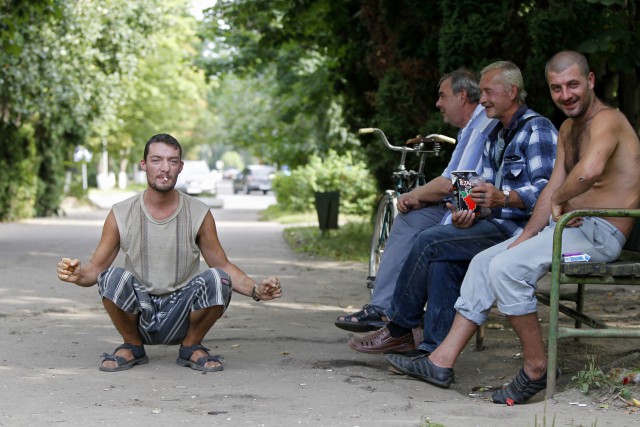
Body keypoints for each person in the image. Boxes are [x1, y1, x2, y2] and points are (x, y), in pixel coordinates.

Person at [385, 50, 640, 404]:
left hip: (599, 239)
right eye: (556, 88)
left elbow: (588, 172)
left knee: (506, 269)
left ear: (591, 81)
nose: (565, 95)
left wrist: (556, 203)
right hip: (566, 229)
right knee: (485, 262)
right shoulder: (567, 128)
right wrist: (525, 235)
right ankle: (440, 361)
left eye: (573, 85)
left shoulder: (607, 120)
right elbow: (552, 188)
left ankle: (536, 369)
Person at [349, 61, 557, 355]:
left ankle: (398, 329)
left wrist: (504, 198)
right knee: (443, 257)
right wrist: (466, 211)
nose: (481, 99)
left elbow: (548, 191)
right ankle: (431, 353)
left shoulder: (537, 129)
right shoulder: (496, 134)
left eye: (487, 92)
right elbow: (475, 187)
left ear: (512, 92)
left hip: (522, 232)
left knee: (429, 240)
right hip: (493, 225)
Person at [56, 133, 282, 373]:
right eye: (156, 160)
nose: (165, 168)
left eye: (173, 161)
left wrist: (255, 289)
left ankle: (191, 346)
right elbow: (96, 269)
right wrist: (78, 274)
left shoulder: (199, 212)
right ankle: (132, 345)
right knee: (112, 277)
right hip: (139, 312)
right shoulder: (121, 213)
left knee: (218, 278)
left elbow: (223, 266)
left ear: (180, 166)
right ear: (143, 165)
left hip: (183, 312)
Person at [335, 69, 498, 332]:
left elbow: (455, 183)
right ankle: (386, 309)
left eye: (442, 96)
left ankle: (396, 317)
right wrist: (426, 200)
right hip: (466, 206)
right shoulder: (471, 128)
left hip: (480, 213)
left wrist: (413, 195)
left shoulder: (480, 126)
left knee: (423, 233)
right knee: (412, 220)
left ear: (462, 95)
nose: (438, 103)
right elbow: (457, 182)